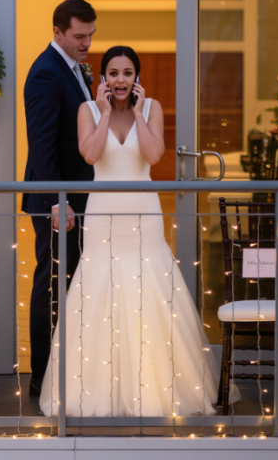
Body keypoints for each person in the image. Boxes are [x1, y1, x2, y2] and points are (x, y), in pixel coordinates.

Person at [40, 45, 220, 417]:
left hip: (143, 214)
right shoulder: (86, 110)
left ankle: (155, 389)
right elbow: (90, 155)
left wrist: (137, 113)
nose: (120, 80)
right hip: (102, 214)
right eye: (113, 73)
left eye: (127, 73)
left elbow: (153, 156)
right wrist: (105, 112)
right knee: (99, 289)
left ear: (136, 78)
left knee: (149, 287)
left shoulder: (151, 108)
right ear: (103, 78)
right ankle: (97, 390)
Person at [23, 0, 97, 397]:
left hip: (78, 199)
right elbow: (41, 144)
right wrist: (57, 201)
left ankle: (65, 371)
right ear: (57, 32)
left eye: (91, 35)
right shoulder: (47, 74)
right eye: (79, 36)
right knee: (51, 284)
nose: (86, 43)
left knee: (70, 282)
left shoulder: (73, 68)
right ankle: (42, 376)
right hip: (59, 202)